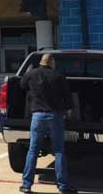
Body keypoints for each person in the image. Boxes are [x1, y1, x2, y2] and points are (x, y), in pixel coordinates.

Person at [19, 53, 77, 194]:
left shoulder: (31, 73)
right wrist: (66, 111)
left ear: (41, 62)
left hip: (37, 116)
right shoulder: (58, 76)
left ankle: (26, 185)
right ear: (52, 63)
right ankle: (63, 186)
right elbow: (69, 100)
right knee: (58, 151)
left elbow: (21, 85)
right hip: (55, 116)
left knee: (33, 150)